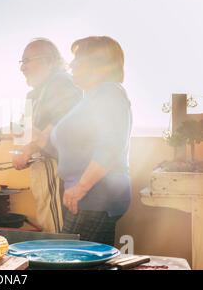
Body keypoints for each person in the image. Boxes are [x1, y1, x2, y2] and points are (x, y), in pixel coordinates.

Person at [51, 36, 132, 245]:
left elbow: (111, 146)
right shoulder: (92, 97)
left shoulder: (108, 93)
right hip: (89, 196)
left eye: (77, 58)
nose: (71, 64)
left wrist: (81, 188)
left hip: (94, 196)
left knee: (68, 262)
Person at [11, 38, 82, 233]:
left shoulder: (61, 82)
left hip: (55, 167)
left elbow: (61, 120)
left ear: (49, 61)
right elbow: (25, 128)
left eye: (27, 61)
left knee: (56, 232)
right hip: (42, 169)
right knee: (49, 225)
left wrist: (29, 149)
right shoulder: (34, 93)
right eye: (21, 62)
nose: (22, 68)